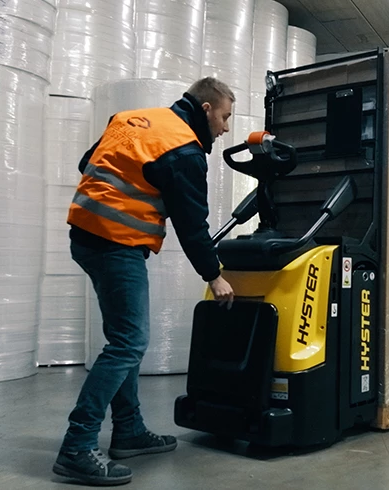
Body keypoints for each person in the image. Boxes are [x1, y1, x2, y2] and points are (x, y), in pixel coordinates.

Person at [53, 77, 236, 486]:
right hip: (114, 243)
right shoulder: (184, 151)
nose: (226, 128)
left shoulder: (135, 118)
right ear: (205, 109)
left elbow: (88, 162)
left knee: (123, 339)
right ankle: (77, 447)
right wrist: (214, 276)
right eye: (224, 117)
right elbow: (192, 226)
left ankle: (130, 430)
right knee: (129, 342)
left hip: (86, 235)